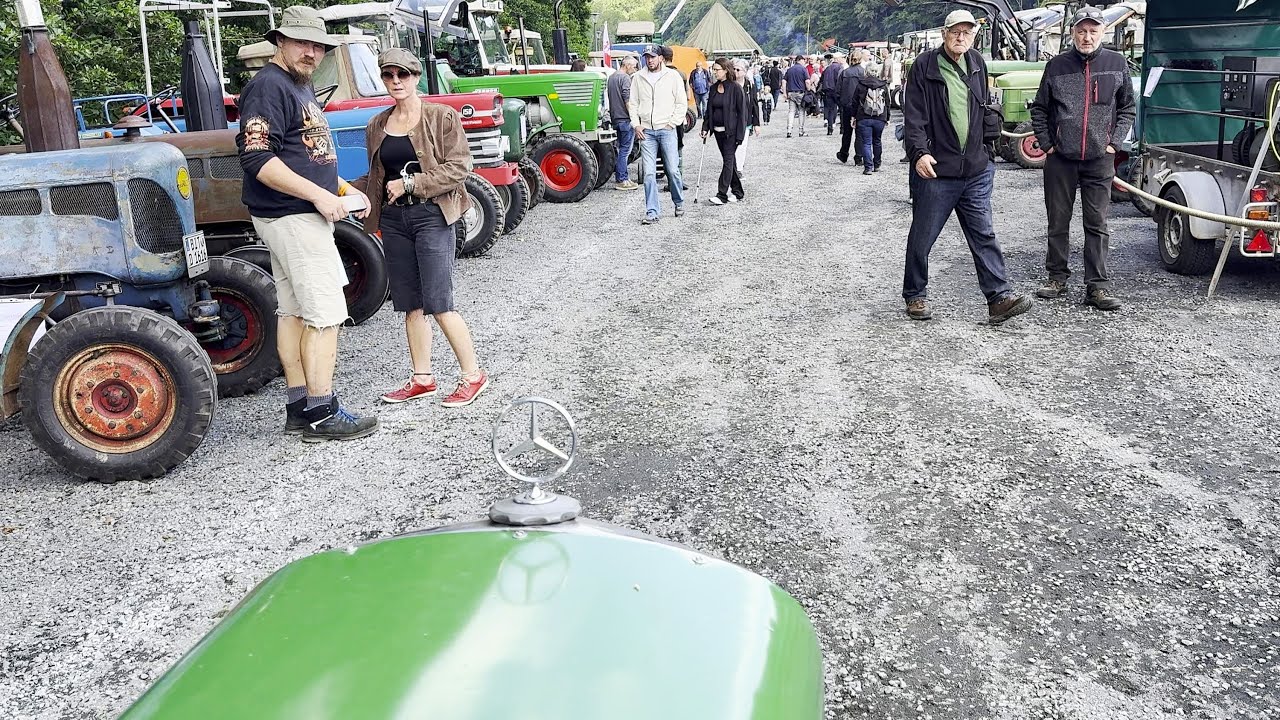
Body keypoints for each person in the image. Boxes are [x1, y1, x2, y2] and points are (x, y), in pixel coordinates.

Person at [236, 5, 379, 442]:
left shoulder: (300, 87)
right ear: (279, 41)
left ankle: (300, 407)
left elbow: (309, 156)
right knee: (326, 313)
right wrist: (319, 195)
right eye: (302, 43)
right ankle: (323, 413)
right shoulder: (268, 87)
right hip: (293, 215)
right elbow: (257, 158)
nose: (312, 53)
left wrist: (337, 189)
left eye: (318, 45)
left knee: (295, 311)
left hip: (296, 212)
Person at [349, 48, 489, 409]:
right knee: (409, 303)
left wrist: (412, 184)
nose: (396, 81)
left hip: (432, 215)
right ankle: (422, 378)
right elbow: (377, 177)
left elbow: (459, 167)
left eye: (403, 74)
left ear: (415, 77)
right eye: (388, 75)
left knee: (439, 301)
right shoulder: (377, 124)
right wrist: (343, 192)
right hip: (394, 220)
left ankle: (473, 375)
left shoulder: (440, 117)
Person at [901, 10, 1031, 324]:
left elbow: (984, 106)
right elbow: (914, 116)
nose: (961, 37)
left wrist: (987, 153)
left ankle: (998, 298)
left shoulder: (977, 62)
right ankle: (915, 295)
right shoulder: (925, 66)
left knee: (983, 233)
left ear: (974, 35)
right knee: (923, 236)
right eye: (956, 32)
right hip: (936, 170)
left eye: (967, 32)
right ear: (944, 33)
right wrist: (919, 153)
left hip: (975, 170)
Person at [1030, 5, 1136, 311]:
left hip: (1099, 157)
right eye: (1081, 31)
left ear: (1102, 32)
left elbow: (1128, 107)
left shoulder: (1116, 62)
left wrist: (1114, 143)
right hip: (1061, 157)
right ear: (1073, 32)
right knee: (1057, 220)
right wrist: (1048, 144)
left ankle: (1097, 287)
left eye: (1092, 31)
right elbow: (1040, 108)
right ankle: (1056, 277)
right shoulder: (1057, 65)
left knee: (1097, 222)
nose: (1086, 37)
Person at [628, 43, 687, 225]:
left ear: (661, 58)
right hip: (647, 131)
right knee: (648, 173)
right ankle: (652, 211)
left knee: (672, 169)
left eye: (653, 56)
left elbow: (681, 102)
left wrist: (672, 123)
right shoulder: (638, 77)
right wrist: (636, 125)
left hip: (666, 129)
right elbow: (633, 103)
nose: (649, 60)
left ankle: (678, 201)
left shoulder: (672, 76)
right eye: (647, 57)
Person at [700, 59, 748, 206]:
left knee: (727, 161)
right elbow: (709, 110)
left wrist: (740, 135)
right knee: (730, 162)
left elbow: (742, 114)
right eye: (713, 70)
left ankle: (721, 194)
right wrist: (705, 127)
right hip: (718, 132)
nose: (714, 72)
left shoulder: (735, 88)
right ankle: (738, 192)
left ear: (726, 70)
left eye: (717, 70)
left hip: (731, 133)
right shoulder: (713, 88)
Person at [607, 55, 640, 190]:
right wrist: (634, 118)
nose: (635, 69)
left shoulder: (612, 77)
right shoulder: (625, 78)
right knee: (625, 151)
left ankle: (623, 177)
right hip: (625, 119)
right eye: (634, 66)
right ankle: (622, 179)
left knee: (620, 149)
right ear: (627, 65)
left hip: (615, 118)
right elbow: (628, 100)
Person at [852, 67, 890, 174]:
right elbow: (887, 103)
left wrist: (853, 117)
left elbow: (854, 102)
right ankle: (877, 164)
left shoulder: (861, 84)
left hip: (864, 117)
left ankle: (868, 167)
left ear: (866, 72)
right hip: (880, 117)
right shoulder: (883, 85)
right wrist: (887, 118)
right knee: (877, 141)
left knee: (866, 143)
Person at [732, 58, 761, 185]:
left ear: (745, 71)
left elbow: (754, 104)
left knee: (742, 146)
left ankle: (738, 169)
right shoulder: (729, 84)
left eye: (738, 69)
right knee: (731, 146)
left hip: (745, 120)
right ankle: (731, 168)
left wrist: (756, 124)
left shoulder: (749, 85)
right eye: (733, 69)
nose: (735, 72)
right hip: (731, 120)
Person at [835, 51, 866, 164]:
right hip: (860, 106)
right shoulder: (863, 72)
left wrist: (841, 103)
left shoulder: (844, 73)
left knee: (847, 132)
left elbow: (837, 91)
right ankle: (859, 156)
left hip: (847, 105)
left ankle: (844, 154)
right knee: (860, 132)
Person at [784, 54, 809, 138]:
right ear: (800, 60)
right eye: (804, 60)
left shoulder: (789, 70)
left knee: (791, 111)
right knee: (801, 112)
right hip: (800, 93)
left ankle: (789, 130)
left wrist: (785, 92)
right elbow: (807, 82)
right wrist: (809, 90)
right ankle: (801, 131)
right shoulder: (803, 69)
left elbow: (784, 81)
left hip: (791, 93)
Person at [819, 53, 844, 134]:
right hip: (837, 91)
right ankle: (842, 128)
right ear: (837, 59)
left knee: (830, 110)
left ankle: (830, 129)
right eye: (841, 58)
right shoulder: (840, 68)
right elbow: (840, 80)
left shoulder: (827, 69)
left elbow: (821, 80)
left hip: (827, 91)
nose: (842, 59)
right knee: (841, 109)